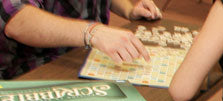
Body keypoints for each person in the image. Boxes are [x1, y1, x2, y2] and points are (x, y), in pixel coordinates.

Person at [1, 0, 161, 79]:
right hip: (34, 74)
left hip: (87, 59)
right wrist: (92, 32)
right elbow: (17, 21)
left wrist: (129, 10)